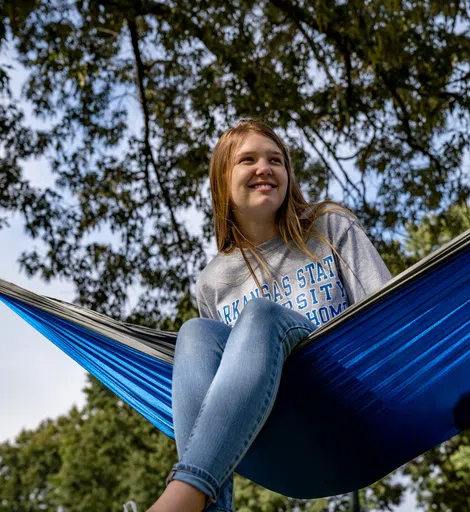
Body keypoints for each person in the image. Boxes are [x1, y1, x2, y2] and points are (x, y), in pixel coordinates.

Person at [147, 119, 392, 512]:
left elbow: (390, 314)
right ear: (223, 182)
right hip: (280, 432)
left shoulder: (329, 225)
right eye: (248, 160)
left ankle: (184, 491)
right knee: (193, 333)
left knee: (260, 316)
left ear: (288, 176)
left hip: (348, 399)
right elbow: (220, 392)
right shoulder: (213, 281)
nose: (265, 167)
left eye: (275, 160)